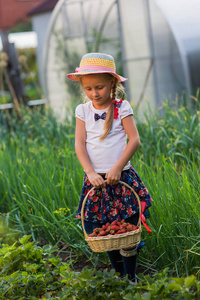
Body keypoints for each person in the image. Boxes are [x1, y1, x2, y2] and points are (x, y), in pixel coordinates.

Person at [67, 53, 153, 283]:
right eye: (88, 88)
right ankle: (118, 276)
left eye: (100, 87)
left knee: (127, 229)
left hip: (121, 177)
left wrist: (117, 168)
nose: (94, 93)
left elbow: (134, 140)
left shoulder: (122, 107)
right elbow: (79, 145)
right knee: (103, 231)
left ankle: (131, 277)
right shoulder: (82, 111)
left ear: (112, 83)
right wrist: (91, 172)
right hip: (96, 180)